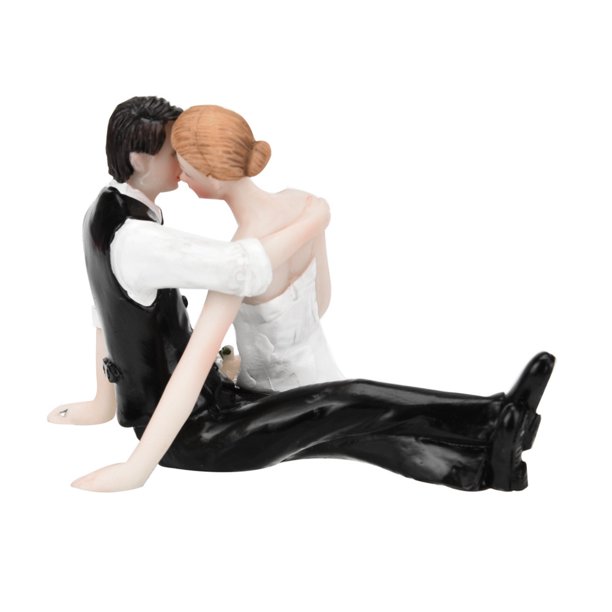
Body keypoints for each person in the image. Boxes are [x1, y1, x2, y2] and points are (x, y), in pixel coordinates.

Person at [50, 96, 555, 493]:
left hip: (216, 403)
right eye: (171, 156)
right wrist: (137, 466)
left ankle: (486, 465)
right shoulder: (141, 236)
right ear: (141, 159)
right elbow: (240, 272)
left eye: (185, 160)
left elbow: (110, 313)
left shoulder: (112, 214)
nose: (180, 172)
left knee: (350, 429)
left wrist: (106, 404)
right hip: (192, 435)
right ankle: (496, 416)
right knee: (348, 406)